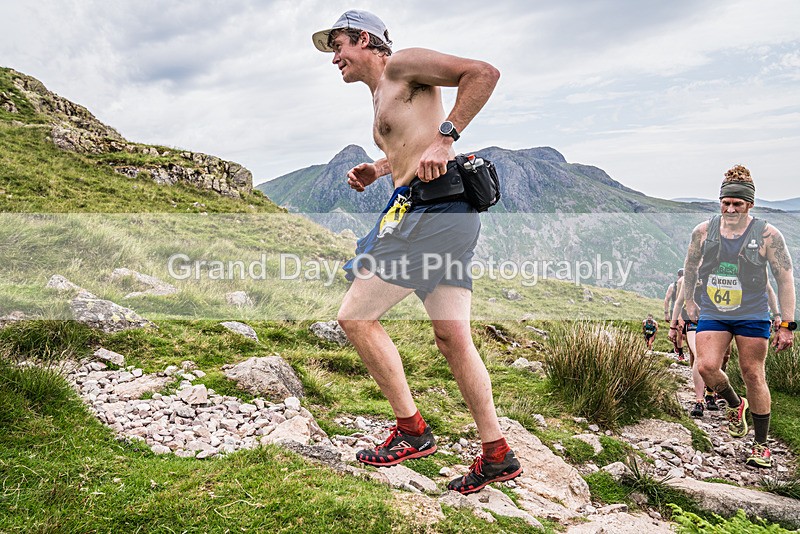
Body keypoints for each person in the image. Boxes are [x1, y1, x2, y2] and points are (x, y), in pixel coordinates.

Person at [313, 10, 521, 494]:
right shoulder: (380, 93)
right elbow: (413, 146)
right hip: (436, 211)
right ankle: (497, 454)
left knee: (356, 317)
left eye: (338, 45)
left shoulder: (403, 65)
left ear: (364, 38)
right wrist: (381, 168)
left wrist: (448, 139)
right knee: (453, 339)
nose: (334, 58)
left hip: (437, 211)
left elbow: (483, 73)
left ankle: (412, 431)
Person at [683, 164, 795, 468]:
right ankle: (735, 404)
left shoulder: (769, 235)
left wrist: (786, 323)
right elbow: (691, 267)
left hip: (752, 313)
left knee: (753, 374)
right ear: (720, 201)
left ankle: (761, 445)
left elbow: (784, 278)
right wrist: (688, 302)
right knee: (706, 366)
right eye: (726, 203)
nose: (731, 208)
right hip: (714, 311)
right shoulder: (703, 232)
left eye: (737, 204)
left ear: (750, 205)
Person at [664, 269, 686, 360]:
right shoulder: (673, 286)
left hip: (685, 311)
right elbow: (667, 299)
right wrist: (666, 313)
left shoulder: (689, 284)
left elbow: (666, 300)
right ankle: (680, 353)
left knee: (682, 333)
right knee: (679, 331)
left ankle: (680, 348)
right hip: (675, 310)